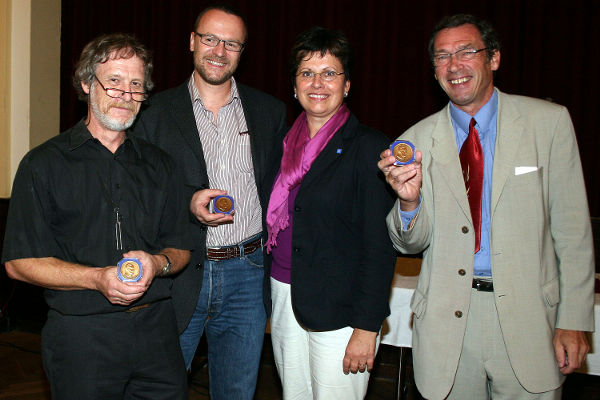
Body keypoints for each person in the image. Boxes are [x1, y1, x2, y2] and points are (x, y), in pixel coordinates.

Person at [378, 14, 595, 399]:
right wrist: (409, 202)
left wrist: (575, 321)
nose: (454, 66)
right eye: (442, 57)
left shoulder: (549, 123)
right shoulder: (413, 142)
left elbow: (573, 231)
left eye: (465, 52)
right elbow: (408, 244)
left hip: (530, 319)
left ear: (493, 58)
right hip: (447, 324)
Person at [2, 33, 191, 399]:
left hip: (159, 336)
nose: (126, 93)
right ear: (87, 84)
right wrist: (97, 278)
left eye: (136, 84)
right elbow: (18, 263)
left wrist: (157, 263)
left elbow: (181, 249)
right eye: (115, 81)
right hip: (81, 338)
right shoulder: (43, 165)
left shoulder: (162, 165)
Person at [132, 4, 286, 399]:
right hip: (181, 271)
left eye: (231, 43)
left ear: (242, 51)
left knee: (237, 391)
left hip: (248, 274)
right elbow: (138, 191)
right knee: (160, 389)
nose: (219, 50)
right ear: (191, 41)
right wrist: (188, 202)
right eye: (210, 39)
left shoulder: (270, 112)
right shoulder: (153, 114)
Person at [264, 26, 396, 400]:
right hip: (284, 293)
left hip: (341, 309)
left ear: (347, 84)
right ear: (294, 85)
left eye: (329, 72)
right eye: (306, 72)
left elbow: (379, 246)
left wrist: (367, 327)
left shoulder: (370, 148)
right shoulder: (283, 144)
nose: (317, 82)